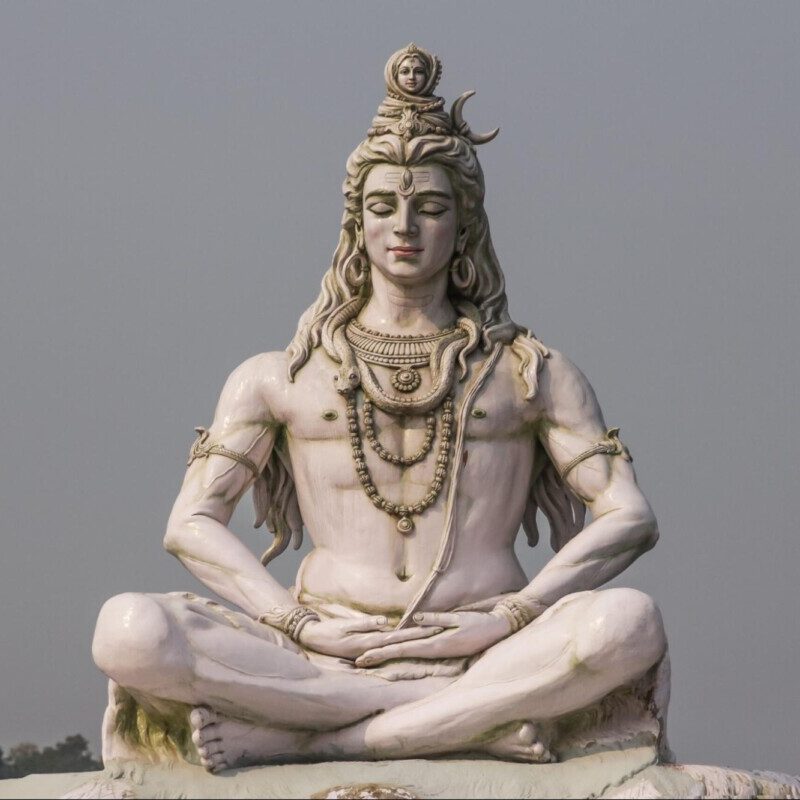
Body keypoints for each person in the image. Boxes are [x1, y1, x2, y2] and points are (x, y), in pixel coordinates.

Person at [92, 44, 668, 773]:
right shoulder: (280, 375)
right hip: (320, 652)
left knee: (630, 621)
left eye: (429, 207)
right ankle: (453, 726)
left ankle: (313, 740)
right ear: (354, 224)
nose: (404, 226)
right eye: (382, 206)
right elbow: (189, 523)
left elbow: (629, 516)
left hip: (486, 649)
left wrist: (508, 617)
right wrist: (293, 621)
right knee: (128, 631)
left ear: (464, 227)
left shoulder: (530, 372)